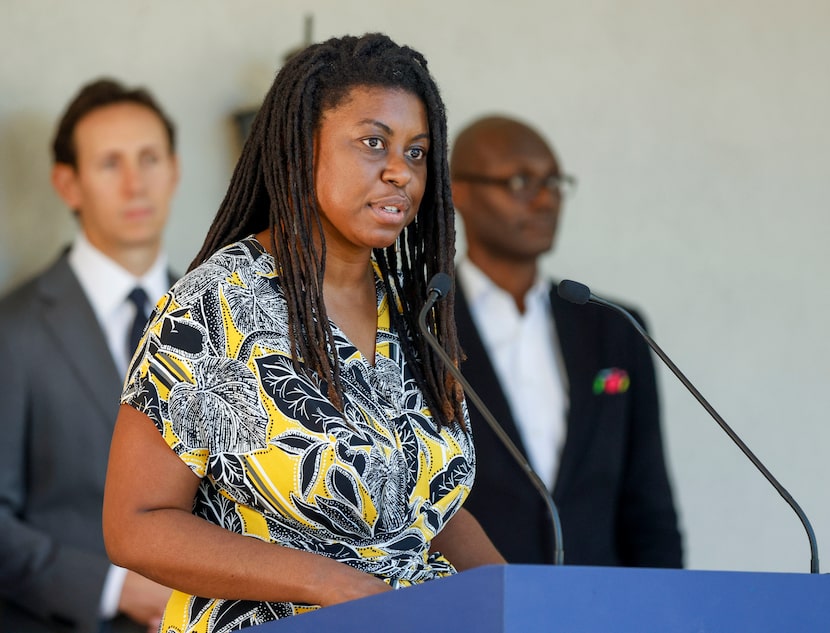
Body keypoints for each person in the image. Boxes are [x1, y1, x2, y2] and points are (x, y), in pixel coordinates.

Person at [102, 33, 505, 632]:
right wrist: (328, 583)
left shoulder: (413, 311)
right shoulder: (214, 308)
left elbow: (421, 506)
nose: (400, 171)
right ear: (301, 148)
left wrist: (519, 595)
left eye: (417, 152)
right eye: (374, 143)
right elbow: (136, 523)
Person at [450, 115, 683, 567]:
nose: (545, 200)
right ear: (458, 191)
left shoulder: (615, 327)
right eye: (520, 181)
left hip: (601, 607)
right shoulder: (422, 326)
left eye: (554, 182)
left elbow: (649, 503)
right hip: (471, 606)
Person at [0, 78, 179, 632]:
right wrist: (112, 587)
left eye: (149, 159)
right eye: (110, 164)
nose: (135, 184)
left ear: (174, 170)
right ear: (67, 184)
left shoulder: (218, 319)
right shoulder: (14, 329)